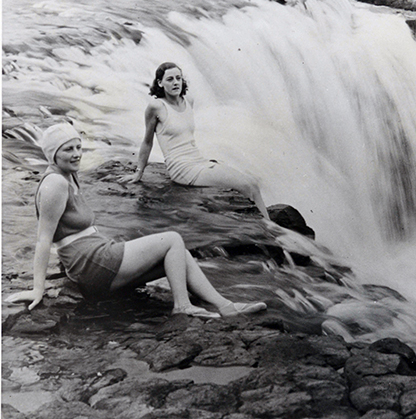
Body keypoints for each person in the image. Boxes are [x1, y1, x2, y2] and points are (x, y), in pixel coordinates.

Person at [5, 122, 267, 318]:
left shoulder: (67, 175)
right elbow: (43, 239)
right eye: (68, 150)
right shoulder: (54, 184)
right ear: (53, 154)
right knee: (172, 239)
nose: (76, 154)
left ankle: (224, 306)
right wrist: (37, 289)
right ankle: (182, 306)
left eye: (78, 147)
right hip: (91, 265)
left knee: (177, 255)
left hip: (95, 260)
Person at [124, 62, 269, 218]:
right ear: (160, 83)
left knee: (253, 184)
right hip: (182, 168)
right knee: (245, 186)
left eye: (178, 78)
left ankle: (273, 230)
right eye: (170, 79)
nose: (175, 83)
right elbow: (147, 141)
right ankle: (268, 231)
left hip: (198, 160)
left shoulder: (188, 101)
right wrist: (139, 172)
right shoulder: (156, 107)